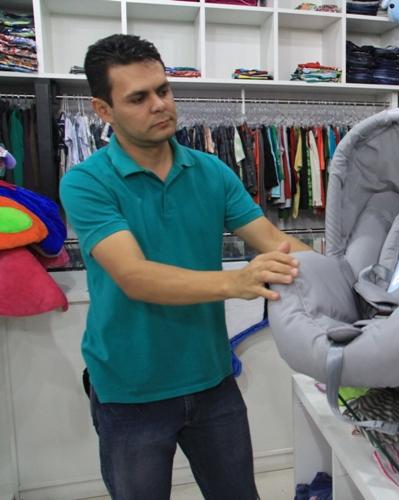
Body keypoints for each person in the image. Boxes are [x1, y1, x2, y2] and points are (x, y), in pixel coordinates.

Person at [59, 34, 310, 500]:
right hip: (130, 391)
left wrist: (350, 275)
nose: (159, 105)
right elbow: (135, 276)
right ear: (103, 110)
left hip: (212, 380)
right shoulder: (86, 182)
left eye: (163, 90)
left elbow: (274, 242)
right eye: (138, 98)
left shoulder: (211, 171)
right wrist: (238, 281)